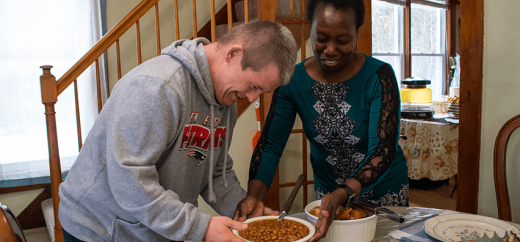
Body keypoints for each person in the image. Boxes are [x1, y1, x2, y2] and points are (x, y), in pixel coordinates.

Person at [58, 19, 297, 242]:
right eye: (253, 86)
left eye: (261, 92)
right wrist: (200, 227)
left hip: (148, 225)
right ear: (234, 54)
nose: (252, 97)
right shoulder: (156, 87)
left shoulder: (226, 101)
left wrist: (238, 205)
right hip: (100, 228)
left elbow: (214, 169)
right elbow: (130, 180)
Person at [234, 0, 409, 241]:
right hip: (328, 198)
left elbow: (383, 149)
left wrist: (344, 192)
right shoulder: (292, 81)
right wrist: (255, 195)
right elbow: (271, 145)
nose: (330, 49)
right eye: (321, 38)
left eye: (343, 40)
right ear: (310, 32)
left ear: (357, 34)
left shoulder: (379, 76)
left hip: (382, 195)